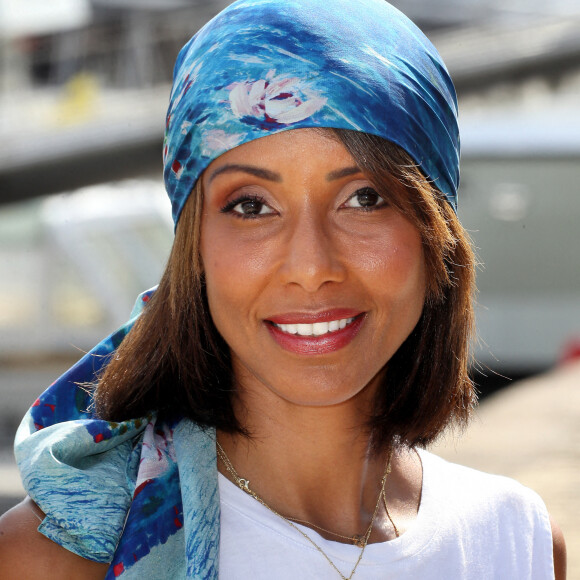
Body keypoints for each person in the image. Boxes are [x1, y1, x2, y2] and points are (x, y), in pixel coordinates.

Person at [0, 0, 566, 578]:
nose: (311, 266)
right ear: (194, 248)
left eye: (364, 198)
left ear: (434, 230)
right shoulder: (56, 559)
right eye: (251, 206)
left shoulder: (515, 541)